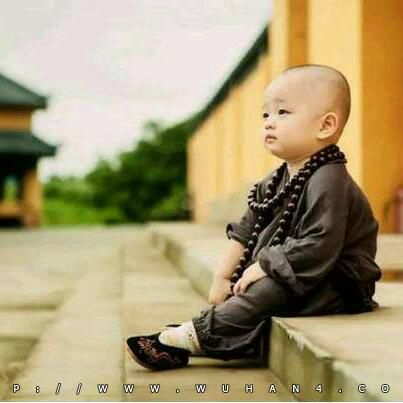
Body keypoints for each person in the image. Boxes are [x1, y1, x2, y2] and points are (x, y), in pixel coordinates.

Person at [126, 64, 382, 371]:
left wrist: (264, 266)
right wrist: (223, 277)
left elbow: (319, 244)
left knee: (269, 288)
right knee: (249, 285)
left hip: (337, 283)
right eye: (265, 114)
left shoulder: (329, 179)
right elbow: (245, 231)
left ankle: (187, 336)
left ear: (325, 125)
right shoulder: (276, 179)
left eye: (283, 112)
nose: (269, 122)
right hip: (296, 271)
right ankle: (199, 334)